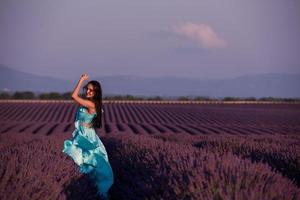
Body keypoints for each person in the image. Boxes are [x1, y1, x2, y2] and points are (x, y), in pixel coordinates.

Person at [62, 74, 114, 200]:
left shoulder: (92, 105)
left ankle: (93, 191)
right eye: (87, 89)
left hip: (87, 138)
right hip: (82, 135)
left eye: (92, 90)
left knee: (87, 161)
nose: (89, 91)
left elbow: (74, 96)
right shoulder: (87, 104)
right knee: (80, 161)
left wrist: (81, 80)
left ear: (96, 93)